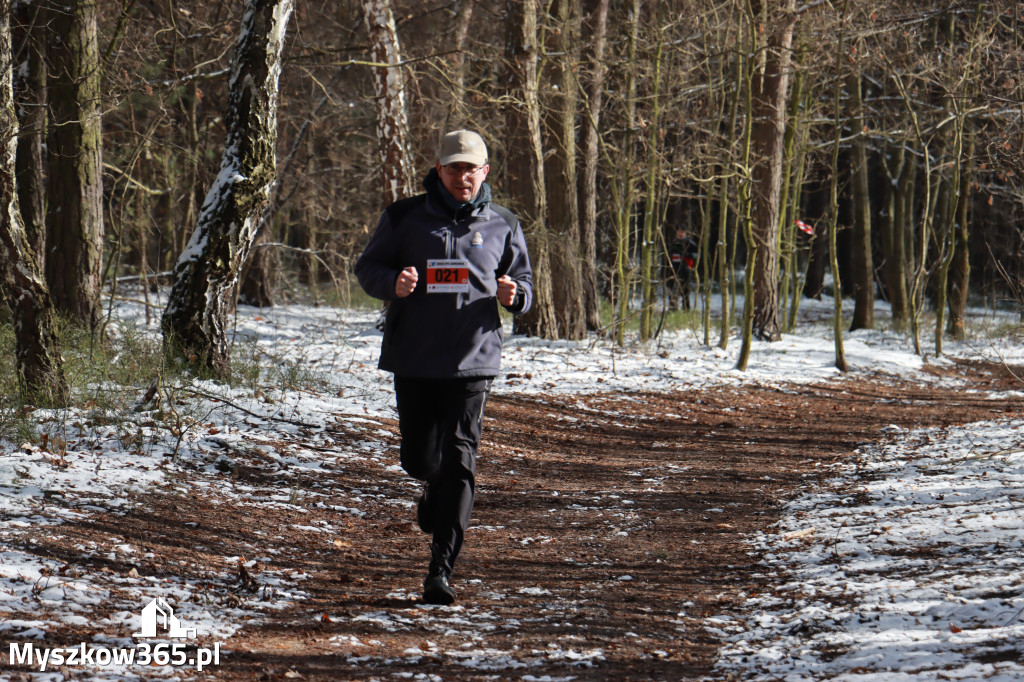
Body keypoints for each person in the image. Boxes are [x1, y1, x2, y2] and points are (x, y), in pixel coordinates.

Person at [354, 130, 533, 605]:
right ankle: (431, 489)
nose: (463, 176)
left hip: (473, 359)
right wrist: (394, 281)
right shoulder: (404, 217)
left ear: (485, 172)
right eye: (454, 167)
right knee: (420, 460)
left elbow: (525, 281)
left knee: (460, 459)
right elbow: (367, 268)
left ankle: (441, 570)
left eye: (472, 168)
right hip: (415, 358)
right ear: (439, 170)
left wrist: (517, 296)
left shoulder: (503, 223)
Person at [666, 228, 698, 310]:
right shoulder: (671, 243)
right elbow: (666, 257)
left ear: (685, 233)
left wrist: (688, 255)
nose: (681, 233)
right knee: (672, 289)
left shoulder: (690, 243)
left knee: (685, 290)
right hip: (673, 270)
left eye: (683, 231)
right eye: (679, 231)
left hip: (685, 270)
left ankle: (686, 308)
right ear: (676, 232)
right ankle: (672, 308)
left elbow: (696, 255)